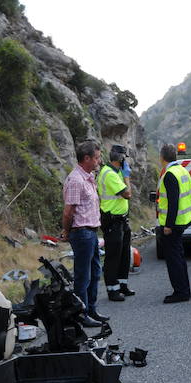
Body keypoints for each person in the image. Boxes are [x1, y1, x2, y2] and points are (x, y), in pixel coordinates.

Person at [60, 141, 108, 328]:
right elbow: (68, 212)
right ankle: (82, 314)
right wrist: (66, 231)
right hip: (82, 233)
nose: (99, 161)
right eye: (96, 157)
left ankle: (92, 309)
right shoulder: (76, 180)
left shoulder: (88, 177)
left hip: (92, 233)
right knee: (83, 276)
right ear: (86, 158)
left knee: (95, 272)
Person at [97, 145, 135, 301]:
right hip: (112, 220)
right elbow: (127, 194)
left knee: (124, 254)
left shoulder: (116, 171)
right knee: (113, 256)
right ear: (120, 158)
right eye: (124, 157)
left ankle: (122, 285)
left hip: (121, 219)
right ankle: (112, 290)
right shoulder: (109, 174)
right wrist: (127, 177)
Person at [157, 143, 191, 303]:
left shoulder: (170, 174)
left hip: (173, 224)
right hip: (183, 221)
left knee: (174, 259)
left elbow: (173, 202)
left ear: (162, 158)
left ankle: (180, 292)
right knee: (179, 256)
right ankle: (184, 289)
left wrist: (168, 226)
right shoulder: (183, 170)